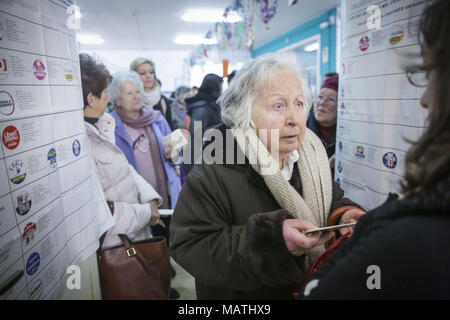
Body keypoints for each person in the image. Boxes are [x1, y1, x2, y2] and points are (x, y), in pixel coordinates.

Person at [170, 52, 365, 300]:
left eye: (299, 104)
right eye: (278, 105)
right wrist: (270, 243)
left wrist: (344, 214)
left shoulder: (312, 155)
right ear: (244, 113)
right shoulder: (215, 169)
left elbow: (331, 199)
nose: (294, 119)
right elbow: (189, 245)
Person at [299, 0, 450, 299]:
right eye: (278, 104)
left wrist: (346, 216)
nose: (424, 100)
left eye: (430, 74)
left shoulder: (412, 235)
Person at [107, 72, 183, 299]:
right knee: (143, 244)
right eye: (129, 93)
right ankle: (152, 286)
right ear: (116, 99)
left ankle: (164, 281)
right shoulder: (110, 124)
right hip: (135, 197)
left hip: (163, 193)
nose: (136, 96)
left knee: (163, 239)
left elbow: (177, 150)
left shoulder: (157, 117)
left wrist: (174, 153)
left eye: (138, 91)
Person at [80, 53, 162, 250]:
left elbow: (126, 168)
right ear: (91, 99)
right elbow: (102, 211)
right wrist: (145, 213)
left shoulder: (103, 125)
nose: (109, 96)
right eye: (104, 92)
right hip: (117, 243)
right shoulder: (81, 143)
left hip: (136, 231)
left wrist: (149, 198)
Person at [183, 73, 223, 175]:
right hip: (199, 157)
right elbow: (197, 133)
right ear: (214, 87)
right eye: (220, 86)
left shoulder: (209, 104)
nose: (222, 89)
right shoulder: (202, 107)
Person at [130, 57, 174, 130]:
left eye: (151, 72)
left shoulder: (163, 100)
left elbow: (170, 129)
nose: (148, 76)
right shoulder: (130, 100)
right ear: (133, 76)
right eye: (142, 73)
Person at [306, 75, 338, 172]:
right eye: (320, 97)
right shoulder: (301, 127)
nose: (322, 103)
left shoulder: (347, 138)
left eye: (331, 99)